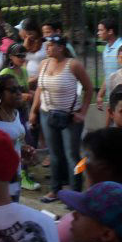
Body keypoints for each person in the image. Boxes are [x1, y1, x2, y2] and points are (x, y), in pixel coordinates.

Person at [30, 33, 93, 201]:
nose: (47, 48)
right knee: (55, 154)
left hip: (70, 117)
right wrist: (34, 111)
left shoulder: (73, 65)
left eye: (51, 45)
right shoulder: (43, 64)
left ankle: (76, 192)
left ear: (61, 47)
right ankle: (55, 189)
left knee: (72, 155)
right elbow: (39, 89)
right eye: (47, 45)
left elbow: (89, 88)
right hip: (47, 113)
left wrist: (83, 112)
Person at [0, 74, 37, 194]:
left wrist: (22, 149)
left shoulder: (15, 113)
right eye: (13, 90)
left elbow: (14, 142)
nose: (18, 93)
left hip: (15, 172)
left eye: (19, 88)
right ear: (0, 93)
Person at [97, 16, 122, 80]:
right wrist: (101, 90)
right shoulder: (106, 49)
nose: (98, 33)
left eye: (101, 30)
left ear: (110, 31)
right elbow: (108, 76)